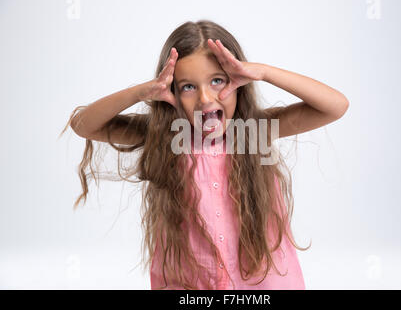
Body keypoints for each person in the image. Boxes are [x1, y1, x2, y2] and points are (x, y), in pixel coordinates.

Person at [60, 19, 349, 290]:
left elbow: (335, 105)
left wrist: (262, 72)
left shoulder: (254, 132)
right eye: (188, 87)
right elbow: (83, 124)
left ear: (238, 81)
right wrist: (141, 92)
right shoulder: (164, 136)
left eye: (218, 81)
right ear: (170, 91)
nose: (205, 98)